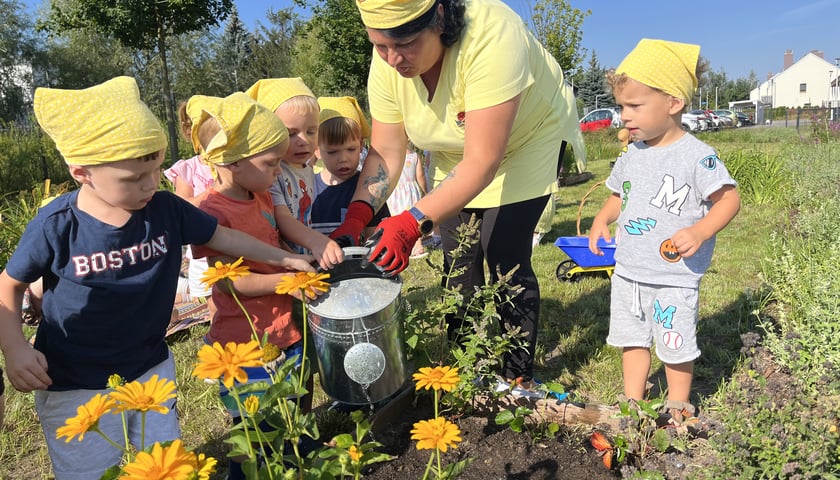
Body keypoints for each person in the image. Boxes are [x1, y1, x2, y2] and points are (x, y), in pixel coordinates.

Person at [0, 76, 315, 480]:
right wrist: (15, 350)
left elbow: (225, 237)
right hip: (74, 382)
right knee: (92, 471)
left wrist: (285, 259)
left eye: (155, 169)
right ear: (82, 171)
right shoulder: (57, 225)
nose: (152, 185)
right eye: (134, 178)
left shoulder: (166, 210)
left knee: (167, 466)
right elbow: (9, 285)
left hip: (150, 366)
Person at [330, 0, 583, 395]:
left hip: (528, 141)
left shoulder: (493, 33)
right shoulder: (387, 61)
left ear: (441, 20)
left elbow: (482, 160)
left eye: (408, 43)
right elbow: (387, 152)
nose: (394, 58)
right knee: (457, 261)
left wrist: (411, 222)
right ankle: (468, 368)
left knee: (504, 256)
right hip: (457, 154)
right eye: (380, 46)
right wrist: (357, 217)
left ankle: (517, 376)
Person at [587, 39, 741, 421]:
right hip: (629, 270)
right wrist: (601, 218)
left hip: (675, 274)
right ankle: (632, 398)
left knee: (675, 341)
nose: (624, 115)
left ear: (673, 103)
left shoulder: (696, 156)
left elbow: (729, 200)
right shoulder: (633, 153)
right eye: (622, 106)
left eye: (634, 106)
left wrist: (702, 231)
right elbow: (619, 195)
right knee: (631, 338)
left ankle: (678, 400)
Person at [183, 92, 321, 479]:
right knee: (252, 428)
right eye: (271, 163)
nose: (279, 171)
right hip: (242, 341)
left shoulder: (259, 192)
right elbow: (232, 283)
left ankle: (299, 459)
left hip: (280, 329)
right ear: (233, 161)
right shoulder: (212, 212)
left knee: (291, 409)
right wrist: (288, 281)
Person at [246, 78, 343, 270]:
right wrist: (317, 241)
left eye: (311, 131)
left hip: (300, 256)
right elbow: (282, 218)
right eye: (291, 133)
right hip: (276, 262)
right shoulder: (273, 173)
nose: (303, 140)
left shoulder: (305, 168)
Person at [311, 96, 390, 238]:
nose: (343, 159)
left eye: (351, 149)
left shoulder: (369, 188)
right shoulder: (307, 188)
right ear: (316, 150)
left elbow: (376, 238)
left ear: (360, 145)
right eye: (333, 151)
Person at [164, 116, 216, 317]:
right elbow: (182, 206)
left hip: (231, 241)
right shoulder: (189, 168)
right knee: (215, 304)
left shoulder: (231, 165)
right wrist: (209, 193)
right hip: (201, 249)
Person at [386, 143, 428, 259]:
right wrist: (426, 191)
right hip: (411, 192)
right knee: (414, 219)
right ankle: (418, 247)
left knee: (396, 219)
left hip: (395, 193)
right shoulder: (414, 156)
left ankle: (400, 247)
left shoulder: (389, 157)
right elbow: (420, 176)